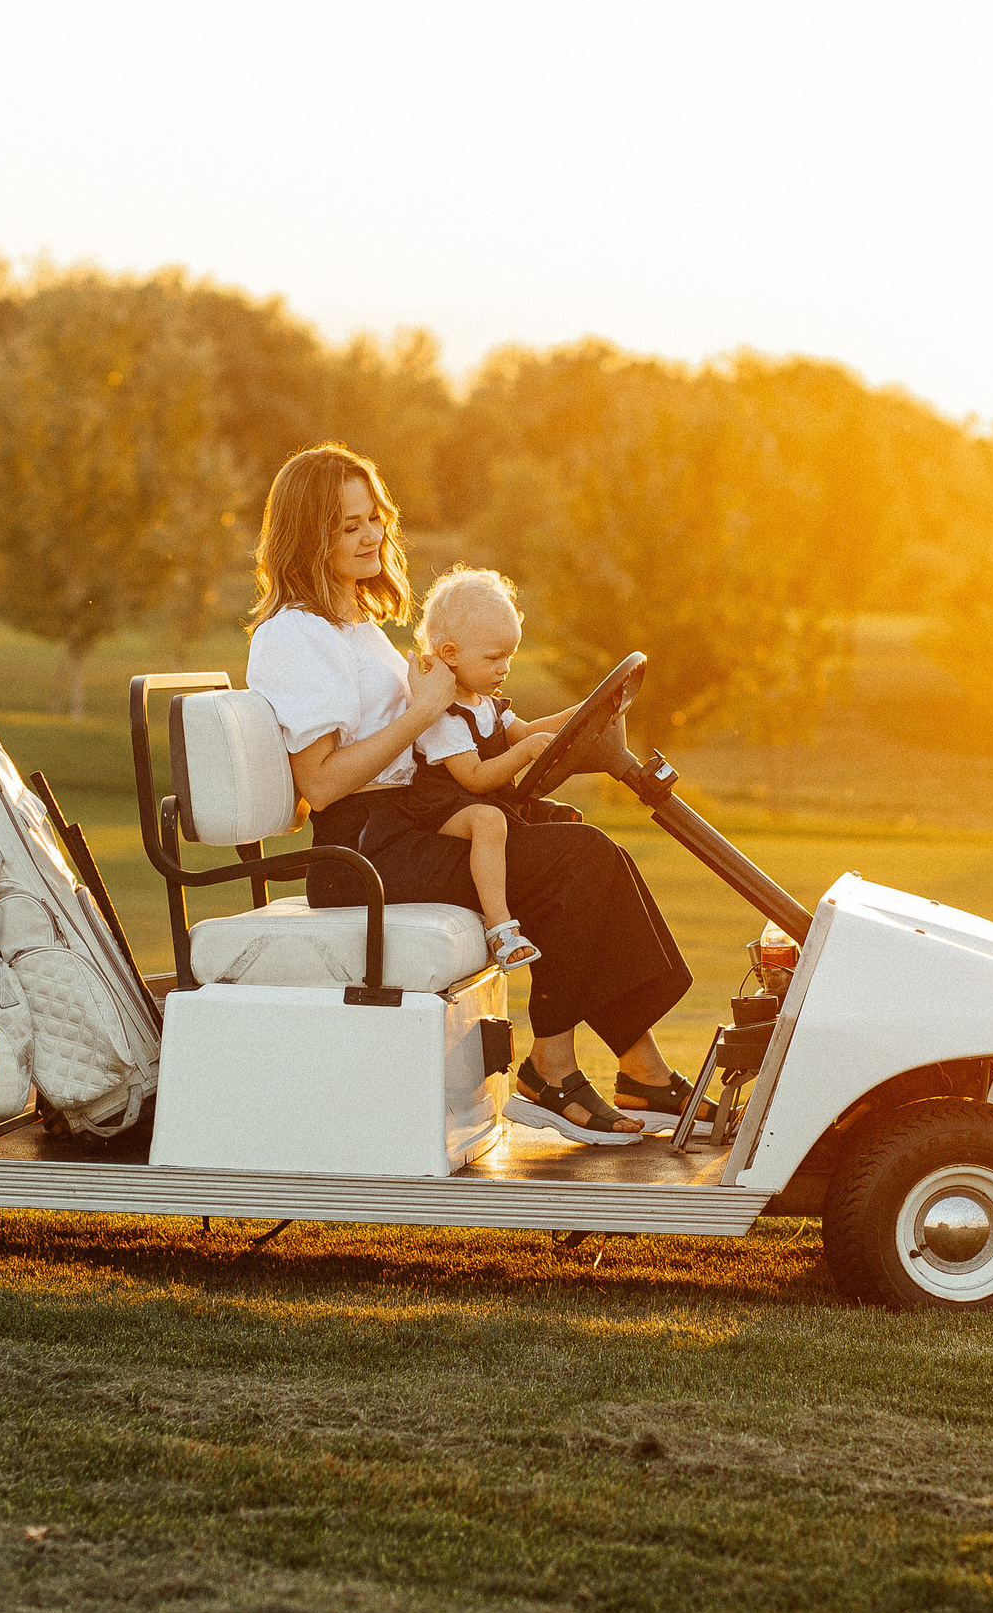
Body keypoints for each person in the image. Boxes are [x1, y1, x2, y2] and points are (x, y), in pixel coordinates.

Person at [242, 443, 697, 1144]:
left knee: (580, 845)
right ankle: (550, 1070)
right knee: (576, 861)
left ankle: (641, 1067)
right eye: (348, 526)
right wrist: (422, 710)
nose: (371, 537)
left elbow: (460, 727)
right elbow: (323, 781)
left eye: (374, 519)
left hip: (405, 827)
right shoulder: (291, 639)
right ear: (310, 535)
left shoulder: (358, 628)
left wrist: (584, 720)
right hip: (361, 848)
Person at [398, 566, 579, 973]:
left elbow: (528, 730)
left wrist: (584, 711)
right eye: (494, 657)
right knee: (489, 821)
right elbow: (475, 778)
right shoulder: (445, 715)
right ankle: (500, 927)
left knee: (558, 817)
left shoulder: (488, 703)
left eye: (509, 657)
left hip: (480, 800)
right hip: (442, 809)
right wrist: (528, 751)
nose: (504, 668)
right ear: (450, 655)